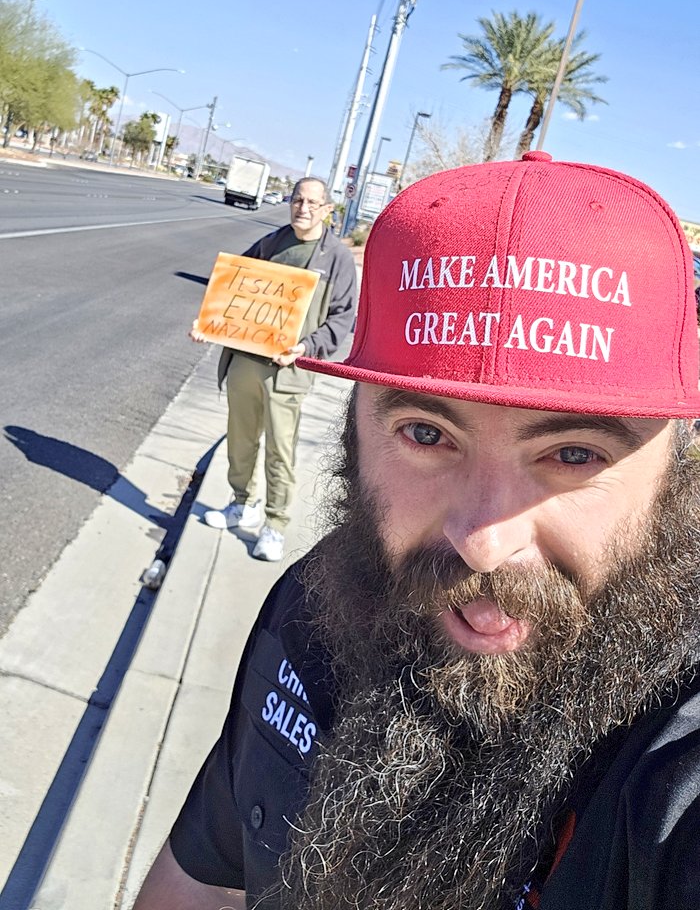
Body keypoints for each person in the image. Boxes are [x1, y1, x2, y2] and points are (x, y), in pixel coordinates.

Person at [134, 153, 700, 910]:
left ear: (675, 474)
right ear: (355, 436)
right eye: (427, 435)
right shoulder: (310, 610)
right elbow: (200, 877)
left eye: (573, 454)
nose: (484, 541)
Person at [202, 176, 357, 562]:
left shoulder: (336, 258)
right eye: (297, 200)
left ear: (327, 210)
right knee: (240, 441)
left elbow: (342, 317)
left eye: (312, 203)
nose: (303, 208)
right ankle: (242, 503)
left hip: (286, 371)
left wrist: (307, 347)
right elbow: (232, 286)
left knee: (279, 449)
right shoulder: (271, 243)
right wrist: (209, 323)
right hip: (245, 361)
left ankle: (275, 524)